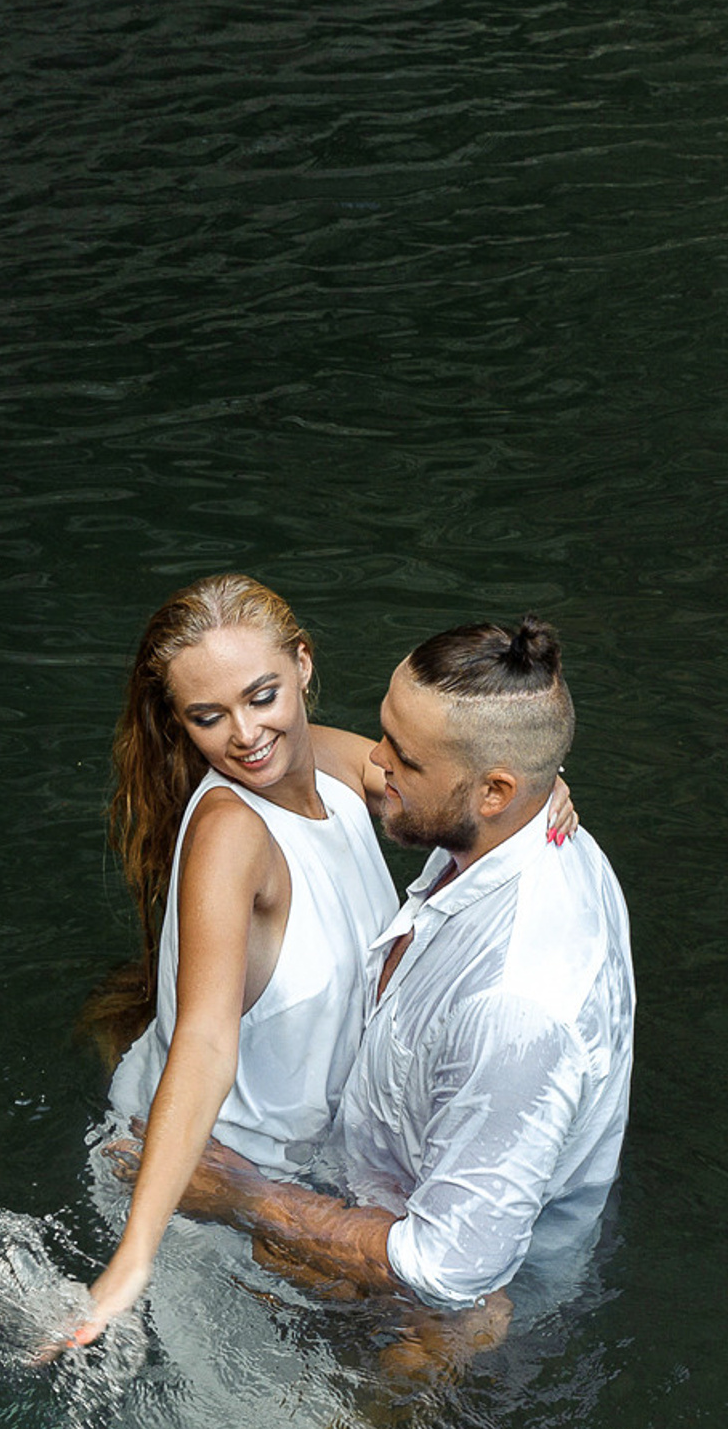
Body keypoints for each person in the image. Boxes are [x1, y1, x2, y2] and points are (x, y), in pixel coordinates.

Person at [61, 577, 576, 1353]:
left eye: (261, 695)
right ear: (180, 722)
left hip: (318, 1165)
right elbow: (204, 1042)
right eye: (208, 717)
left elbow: (453, 789)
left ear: (303, 666)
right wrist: (135, 1254)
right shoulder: (232, 832)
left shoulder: (331, 763)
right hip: (217, 1184)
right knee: (468, 1320)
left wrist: (539, 778)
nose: (245, 735)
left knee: (466, 1313)